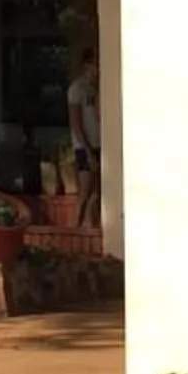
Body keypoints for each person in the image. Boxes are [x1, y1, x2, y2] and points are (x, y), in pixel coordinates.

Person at [66, 40, 103, 232]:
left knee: (97, 190)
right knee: (86, 189)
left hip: (98, 143)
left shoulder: (94, 89)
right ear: (86, 65)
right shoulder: (76, 89)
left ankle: (88, 225)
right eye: (93, 64)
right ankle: (74, 227)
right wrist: (87, 150)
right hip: (84, 146)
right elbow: (76, 123)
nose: (96, 69)